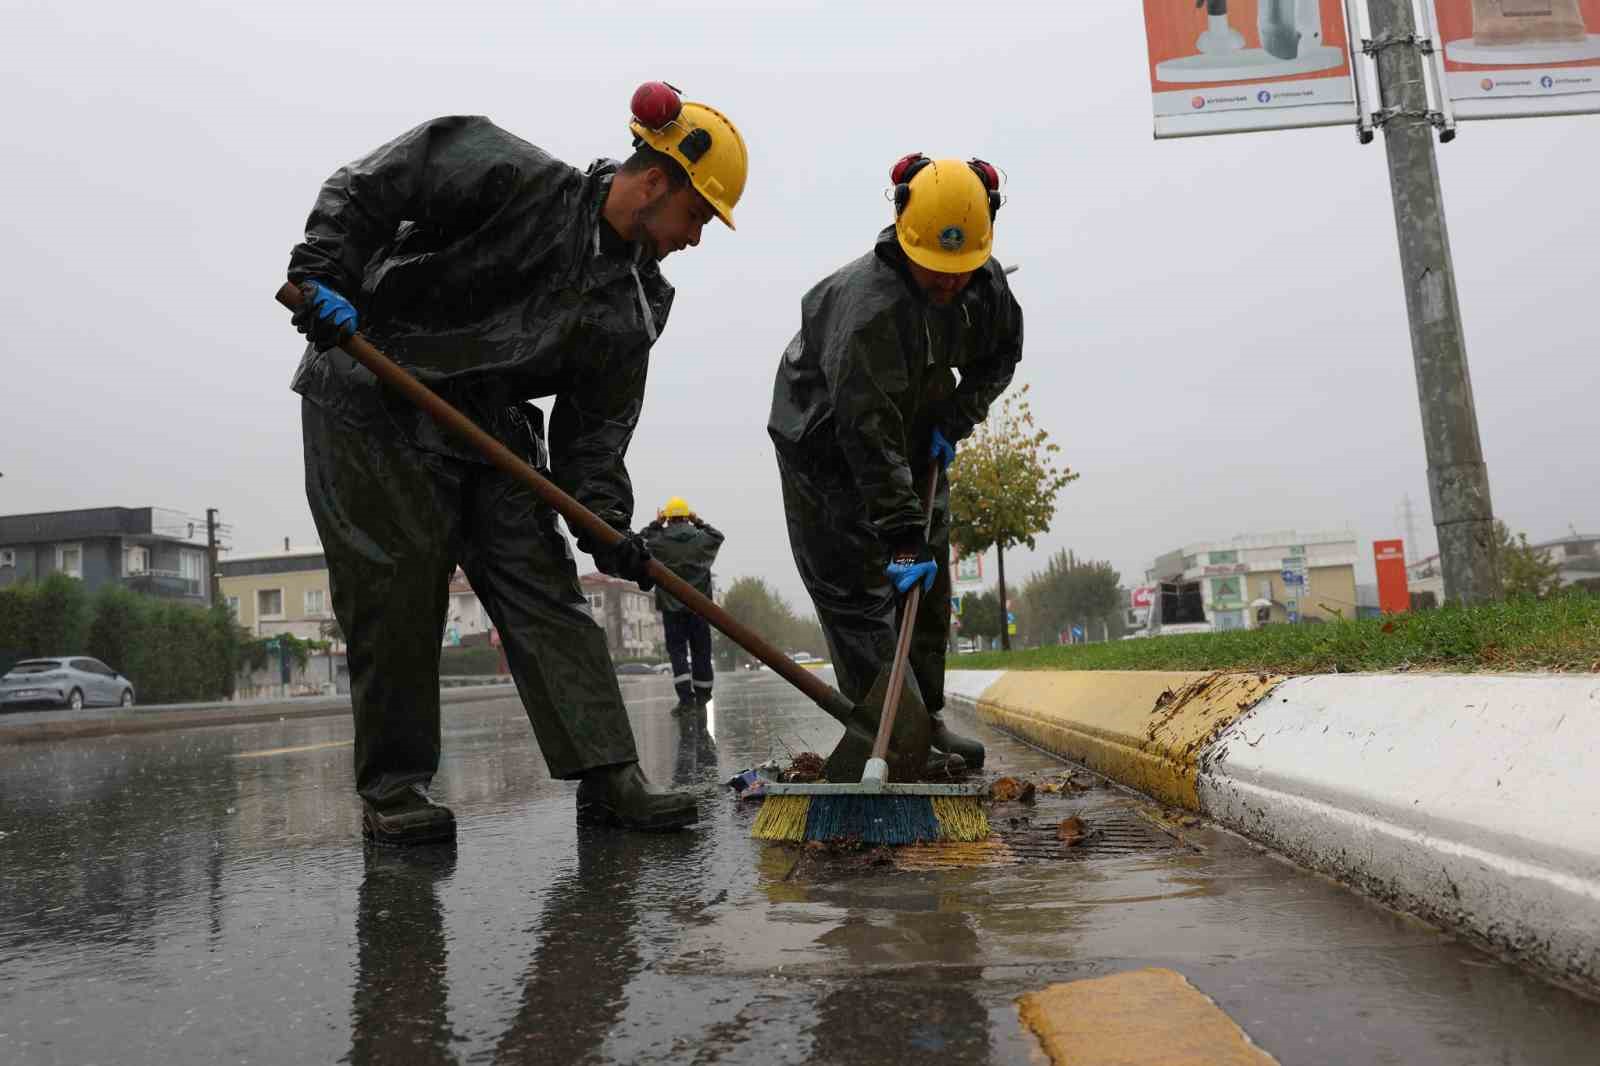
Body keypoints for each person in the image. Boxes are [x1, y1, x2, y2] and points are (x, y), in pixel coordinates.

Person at [285, 83, 747, 844]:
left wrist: (607, 528)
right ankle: (395, 790)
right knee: (397, 589)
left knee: (543, 582)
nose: (695, 238)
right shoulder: (511, 176)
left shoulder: (633, 306)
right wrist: (326, 272)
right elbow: (371, 185)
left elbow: (594, 437)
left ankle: (610, 779)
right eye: (697, 215)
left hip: (486, 424)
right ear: (657, 181)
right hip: (374, 383)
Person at [767, 154, 1023, 770]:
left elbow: (1000, 359)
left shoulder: (982, 288)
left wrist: (954, 419)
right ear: (905, 238)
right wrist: (900, 534)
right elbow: (866, 429)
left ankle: (926, 717)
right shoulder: (868, 310)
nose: (948, 283)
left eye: (960, 269)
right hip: (826, 443)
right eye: (936, 270)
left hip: (913, 430)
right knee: (860, 590)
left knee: (926, 582)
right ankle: (894, 735)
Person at [640, 497, 724, 714]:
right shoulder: (701, 539)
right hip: (699, 608)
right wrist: (699, 522)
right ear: (688, 516)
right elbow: (718, 536)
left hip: (672, 609)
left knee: (677, 653)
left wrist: (657, 523)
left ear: (668, 517)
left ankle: (686, 700)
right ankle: (703, 695)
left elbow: (640, 540)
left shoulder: (660, 541)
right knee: (701, 652)